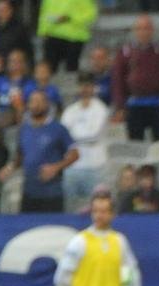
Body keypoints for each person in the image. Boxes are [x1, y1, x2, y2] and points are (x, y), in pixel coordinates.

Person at [2, 89, 77, 213]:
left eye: (39, 101)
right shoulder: (24, 129)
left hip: (52, 193)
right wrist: (9, 168)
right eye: (32, 101)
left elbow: (75, 154)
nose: (36, 105)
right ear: (28, 105)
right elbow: (20, 156)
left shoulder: (58, 128)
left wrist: (56, 167)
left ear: (47, 104)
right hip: (29, 192)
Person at [54, 194, 140, 286]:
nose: (99, 215)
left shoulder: (120, 241)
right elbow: (64, 276)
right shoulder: (79, 241)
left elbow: (127, 271)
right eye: (95, 211)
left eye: (103, 211)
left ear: (112, 214)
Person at [111, 15, 159, 142]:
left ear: (152, 30)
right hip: (134, 104)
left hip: (156, 103)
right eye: (140, 28)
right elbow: (118, 80)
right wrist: (119, 106)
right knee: (136, 144)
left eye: (146, 28)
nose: (143, 32)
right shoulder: (126, 52)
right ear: (135, 31)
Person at [60, 72, 107, 212]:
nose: (85, 88)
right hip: (72, 166)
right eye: (82, 85)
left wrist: (72, 135)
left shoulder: (101, 109)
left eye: (88, 85)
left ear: (93, 87)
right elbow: (63, 133)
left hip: (94, 165)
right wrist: (75, 135)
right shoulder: (70, 110)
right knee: (69, 207)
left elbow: (93, 134)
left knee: (95, 207)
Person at [37, 0, 96, 74]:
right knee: (48, 69)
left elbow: (91, 14)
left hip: (74, 38)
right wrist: (43, 32)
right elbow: (44, 13)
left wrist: (69, 18)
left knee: (71, 69)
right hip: (52, 35)